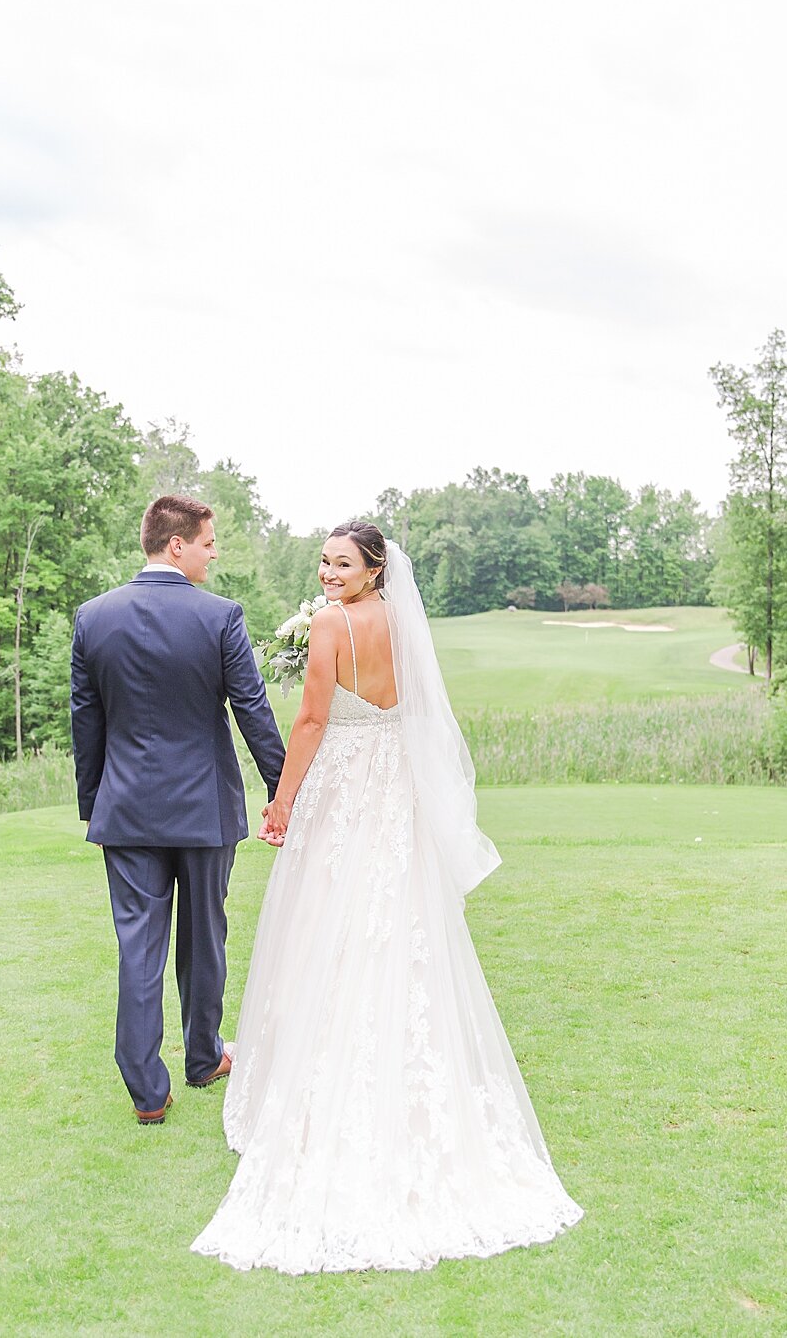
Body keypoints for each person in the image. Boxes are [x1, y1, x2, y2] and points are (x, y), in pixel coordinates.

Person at [191, 521, 582, 1272]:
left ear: (374, 570)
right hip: (393, 790)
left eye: (343, 563)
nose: (328, 573)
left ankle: (323, 1078)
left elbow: (309, 719)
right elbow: (412, 714)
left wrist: (282, 801)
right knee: (393, 923)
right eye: (325, 561)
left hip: (343, 788)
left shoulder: (332, 625)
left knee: (329, 924)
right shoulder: (402, 627)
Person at [70, 494, 286, 1125]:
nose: (214, 552)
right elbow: (252, 709)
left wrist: (95, 803)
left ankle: (146, 1093)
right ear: (176, 545)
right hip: (202, 809)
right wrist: (282, 791)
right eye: (208, 542)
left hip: (127, 812)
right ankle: (202, 1057)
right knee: (203, 937)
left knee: (138, 946)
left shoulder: (92, 617)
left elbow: (87, 722)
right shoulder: (220, 617)